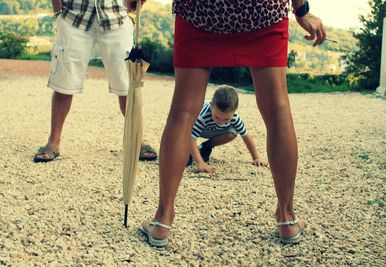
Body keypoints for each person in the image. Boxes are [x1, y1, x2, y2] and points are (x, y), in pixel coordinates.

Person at [140, 0, 326, 247]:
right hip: (262, 12)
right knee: (278, 110)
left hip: (201, 11)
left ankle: (163, 220)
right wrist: (301, 10)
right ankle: (287, 218)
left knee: (183, 112)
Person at [33, 0, 157, 163]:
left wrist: (135, 5)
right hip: (74, 16)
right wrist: (58, 13)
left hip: (116, 17)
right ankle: (53, 141)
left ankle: (136, 140)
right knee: (64, 82)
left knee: (127, 85)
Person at [186, 85, 267, 173]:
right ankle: (187, 151)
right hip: (199, 129)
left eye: (226, 119)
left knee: (232, 132)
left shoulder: (234, 117)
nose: (220, 121)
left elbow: (246, 136)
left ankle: (206, 146)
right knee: (185, 156)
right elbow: (190, 138)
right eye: (217, 117)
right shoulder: (203, 115)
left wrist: (256, 157)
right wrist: (200, 163)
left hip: (215, 131)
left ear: (234, 111)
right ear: (211, 106)